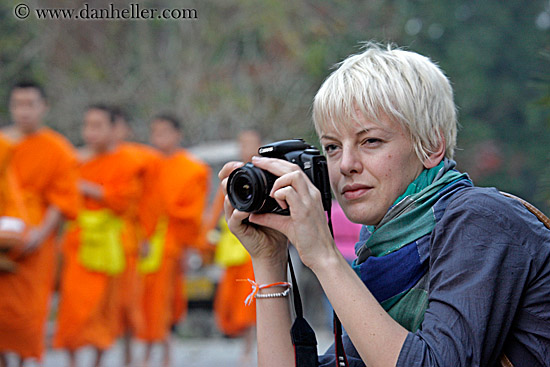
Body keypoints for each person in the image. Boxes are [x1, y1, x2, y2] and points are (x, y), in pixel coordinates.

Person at [219, 43, 550, 367]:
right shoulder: (380, 252)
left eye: (370, 141)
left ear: (432, 145)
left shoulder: (481, 220)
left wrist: (324, 255)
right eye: (332, 147)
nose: (346, 164)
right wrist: (269, 261)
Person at [0, 81, 80, 367]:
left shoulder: (57, 148)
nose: (24, 111)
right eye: (18, 104)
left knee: (29, 314)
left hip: (36, 243)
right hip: (2, 239)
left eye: (30, 104)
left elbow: (62, 200)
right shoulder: (2, 143)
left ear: (43, 107)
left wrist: (40, 234)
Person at [53, 104, 141, 367]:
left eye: (97, 126)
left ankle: (98, 361)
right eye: (87, 125)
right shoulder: (75, 160)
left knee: (105, 307)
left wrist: (87, 188)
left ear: (113, 129)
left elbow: (126, 201)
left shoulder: (127, 162)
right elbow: (62, 197)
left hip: (111, 241)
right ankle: (72, 361)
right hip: (79, 240)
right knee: (73, 306)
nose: (90, 132)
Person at [137, 114, 209, 367]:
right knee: (144, 300)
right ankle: (147, 353)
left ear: (177, 134)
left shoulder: (193, 169)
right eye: (155, 132)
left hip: (171, 243)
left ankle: (164, 353)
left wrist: (189, 246)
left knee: (164, 301)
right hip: (144, 242)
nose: (159, 138)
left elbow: (193, 212)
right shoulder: (146, 165)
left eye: (165, 132)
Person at [213, 130, 261, 366]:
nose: (246, 148)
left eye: (250, 143)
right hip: (231, 248)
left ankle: (249, 347)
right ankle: (242, 343)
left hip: (252, 248)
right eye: (242, 144)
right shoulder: (231, 174)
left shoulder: (264, 173)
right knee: (229, 301)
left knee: (250, 301)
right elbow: (216, 209)